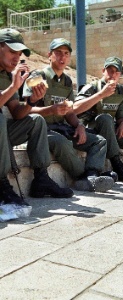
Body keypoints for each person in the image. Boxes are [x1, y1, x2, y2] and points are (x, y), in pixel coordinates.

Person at [22, 38, 116, 193]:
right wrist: (51, 110)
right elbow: (26, 110)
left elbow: (70, 110)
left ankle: (92, 174)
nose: (62, 57)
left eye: (66, 53)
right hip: (41, 131)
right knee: (62, 142)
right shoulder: (38, 77)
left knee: (98, 141)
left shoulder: (66, 81)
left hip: (61, 127)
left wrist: (78, 125)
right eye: (58, 53)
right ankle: (83, 177)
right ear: (49, 55)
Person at [0, 28, 74, 204]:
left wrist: (32, 101)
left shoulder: (8, 76)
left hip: (3, 134)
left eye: (19, 53)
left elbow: (18, 113)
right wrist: (13, 87)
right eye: (12, 51)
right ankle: (2, 184)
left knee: (36, 121)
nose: (16, 58)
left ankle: (41, 179)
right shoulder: (11, 80)